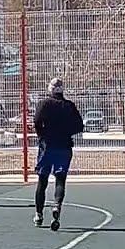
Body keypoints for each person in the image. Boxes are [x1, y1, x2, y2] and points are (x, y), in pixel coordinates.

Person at [32, 78, 84, 231]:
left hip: (47, 146)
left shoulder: (44, 104)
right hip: (64, 146)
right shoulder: (69, 106)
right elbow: (79, 126)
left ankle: (39, 214)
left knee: (42, 180)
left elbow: (36, 121)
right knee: (60, 179)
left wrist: (42, 135)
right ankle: (56, 206)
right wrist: (66, 132)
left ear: (50, 89)